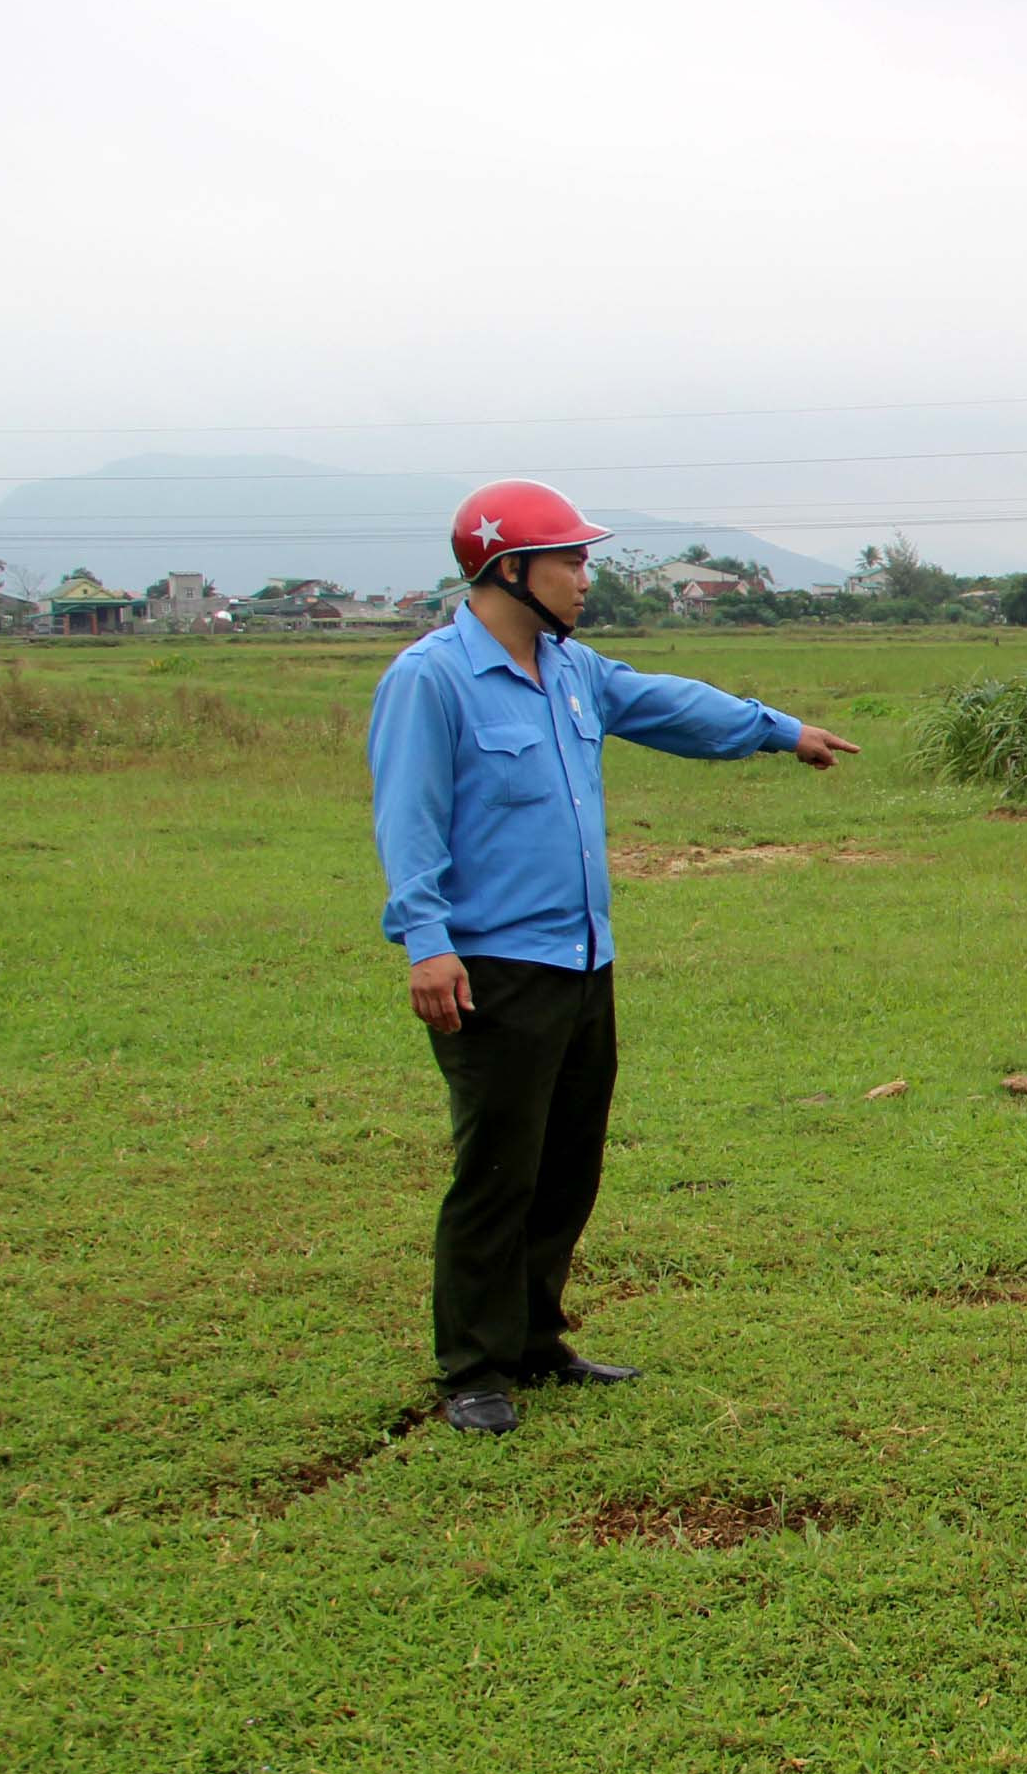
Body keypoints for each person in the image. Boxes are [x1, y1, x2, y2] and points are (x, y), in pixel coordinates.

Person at [368, 479, 860, 1434]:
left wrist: (777, 730)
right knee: (499, 1171)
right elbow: (409, 820)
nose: (587, 576)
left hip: (582, 960)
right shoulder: (430, 680)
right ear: (509, 567)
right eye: (572, 559)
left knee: (567, 1163)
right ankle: (473, 1367)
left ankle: (536, 1341)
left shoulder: (572, 670)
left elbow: (667, 706)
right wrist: (426, 944)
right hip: (492, 968)